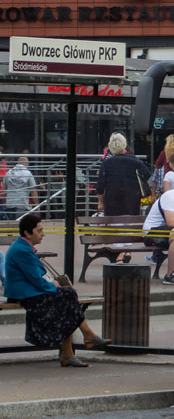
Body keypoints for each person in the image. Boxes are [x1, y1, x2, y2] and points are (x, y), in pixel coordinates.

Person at [3, 213, 109, 366]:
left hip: (31, 292)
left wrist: (53, 284)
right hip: (24, 295)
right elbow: (35, 279)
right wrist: (53, 285)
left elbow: (37, 277)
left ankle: (71, 351)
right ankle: (85, 337)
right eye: (39, 231)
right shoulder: (21, 250)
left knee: (67, 299)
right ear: (27, 232)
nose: (43, 234)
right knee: (68, 296)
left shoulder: (24, 247)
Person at [95, 132, 151, 217]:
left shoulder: (106, 163)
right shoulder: (135, 160)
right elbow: (147, 174)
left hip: (111, 201)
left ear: (111, 146)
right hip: (132, 200)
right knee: (130, 225)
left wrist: (101, 202)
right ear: (124, 145)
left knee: (113, 226)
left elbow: (100, 185)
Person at [3, 156, 38, 221]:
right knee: (20, 224)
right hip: (22, 203)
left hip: (10, 203)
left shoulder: (8, 173)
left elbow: (4, 189)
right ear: (26, 164)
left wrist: (5, 202)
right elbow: (33, 191)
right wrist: (36, 205)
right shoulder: (28, 174)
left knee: (11, 224)